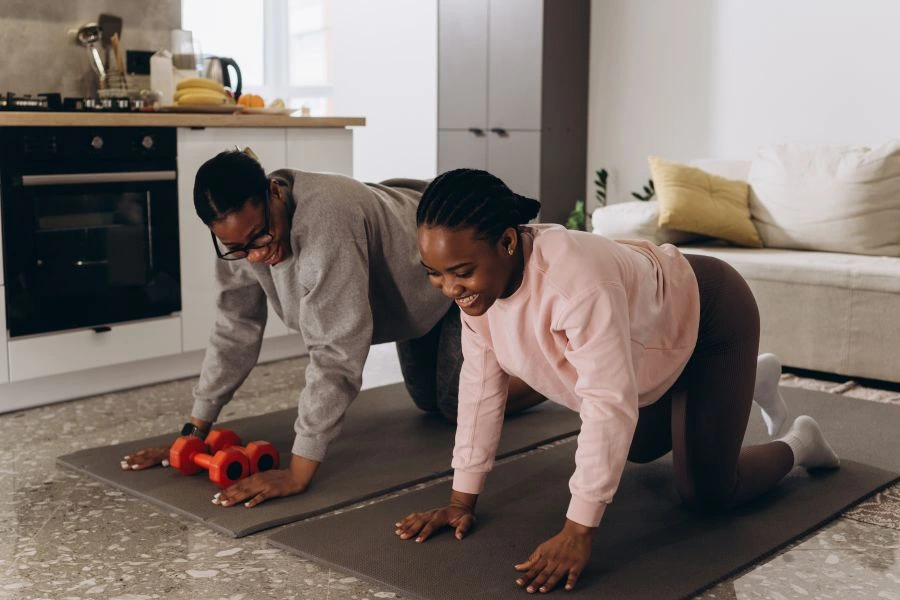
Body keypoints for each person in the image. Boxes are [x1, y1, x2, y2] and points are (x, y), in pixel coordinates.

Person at [394, 168, 840, 594]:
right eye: (434, 272)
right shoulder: (480, 293)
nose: (449, 288)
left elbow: (607, 402)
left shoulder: (575, 283)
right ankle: (748, 380)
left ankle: (801, 441)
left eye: (461, 271)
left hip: (711, 317)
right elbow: (480, 391)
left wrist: (578, 530)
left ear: (507, 241)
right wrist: (460, 501)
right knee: (640, 446)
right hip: (651, 340)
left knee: (708, 494)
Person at [121, 151, 543, 508]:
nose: (257, 255)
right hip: (410, 307)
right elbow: (235, 329)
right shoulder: (239, 244)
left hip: (447, 279)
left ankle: (552, 380)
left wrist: (300, 469)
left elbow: (336, 352)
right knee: (427, 403)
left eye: (260, 236)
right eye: (238, 247)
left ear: (273, 192)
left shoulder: (325, 217)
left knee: (454, 404)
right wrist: (195, 432)